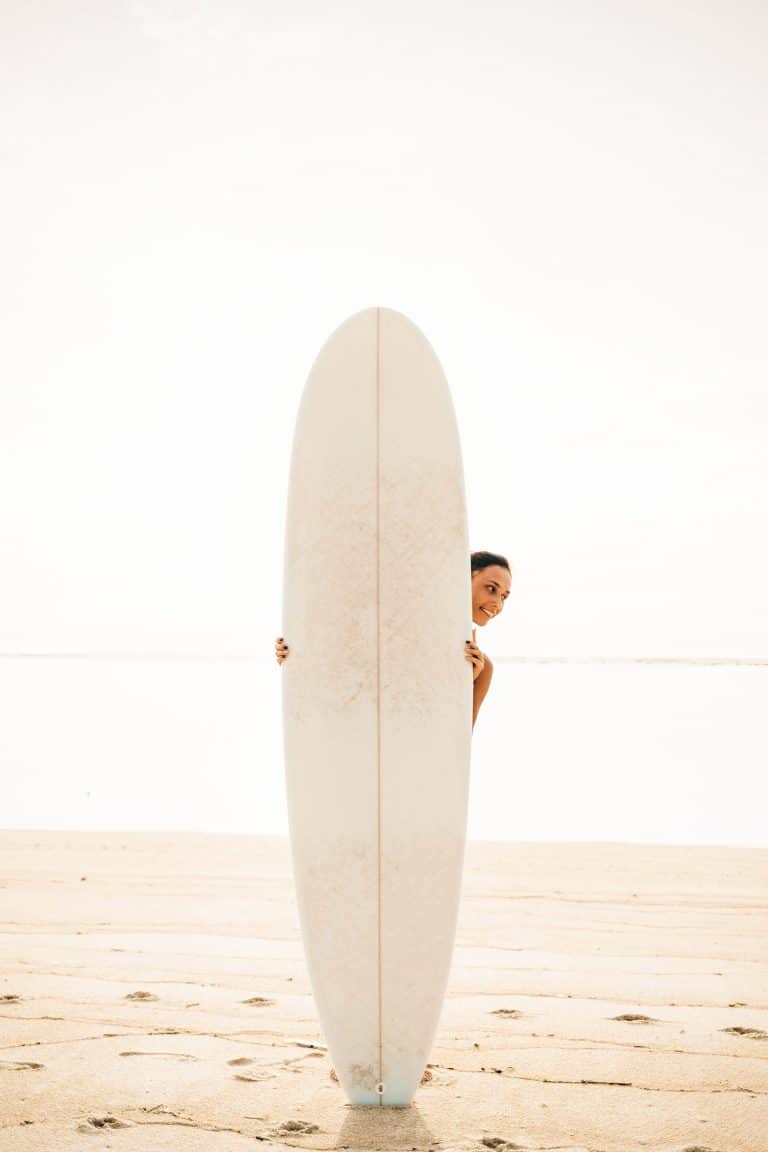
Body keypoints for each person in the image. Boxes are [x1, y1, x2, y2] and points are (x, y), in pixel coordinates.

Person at [275, 549, 511, 729]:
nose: (497, 604)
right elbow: (356, 673)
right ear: (461, 580)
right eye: (491, 588)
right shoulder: (405, 627)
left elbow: (457, 745)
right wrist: (297, 656)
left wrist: (462, 681)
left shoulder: (483, 669)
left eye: (504, 596)